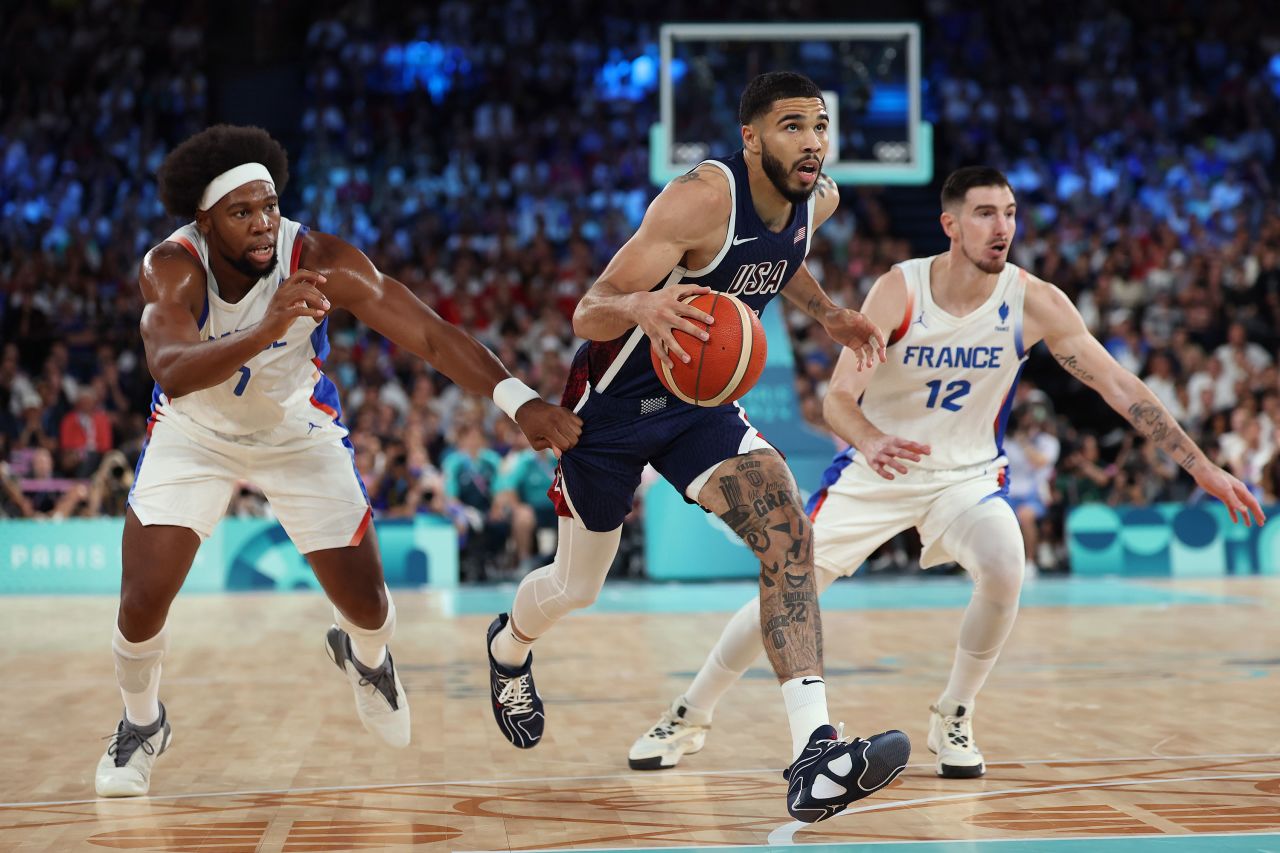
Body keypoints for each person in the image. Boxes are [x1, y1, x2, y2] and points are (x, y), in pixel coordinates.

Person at [629, 165, 1265, 781]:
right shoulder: (901, 289)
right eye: (986, 213)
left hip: (965, 478)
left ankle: (954, 714)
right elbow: (836, 399)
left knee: (1006, 563)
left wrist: (1202, 466)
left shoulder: (1033, 301)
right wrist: (873, 441)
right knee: (791, 589)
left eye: (1010, 213)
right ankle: (690, 712)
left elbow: (1117, 384)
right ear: (951, 225)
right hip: (874, 473)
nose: (1002, 227)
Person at [95, 125, 582, 798]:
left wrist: (519, 399)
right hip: (194, 432)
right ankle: (142, 722)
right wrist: (265, 328)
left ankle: (368, 658)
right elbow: (172, 371)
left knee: (370, 603)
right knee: (141, 602)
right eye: (241, 213)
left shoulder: (322, 257)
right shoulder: (171, 268)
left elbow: (432, 336)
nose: (264, 223)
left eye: (268, 204)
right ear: (203, 222)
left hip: (298, 431)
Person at [483, 72, 909, 824]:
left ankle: (815, 753)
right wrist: (640, 305)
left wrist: (830, 314)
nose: (811, 141)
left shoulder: (822, 197)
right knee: (577, 586)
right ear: (750, 138)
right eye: (790, 126)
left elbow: (782, 262)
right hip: (609, 412)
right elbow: (588, 311)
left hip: (700, 406)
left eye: (819, 125)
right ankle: (509, 647)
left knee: (787, 530)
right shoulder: (701, 199)